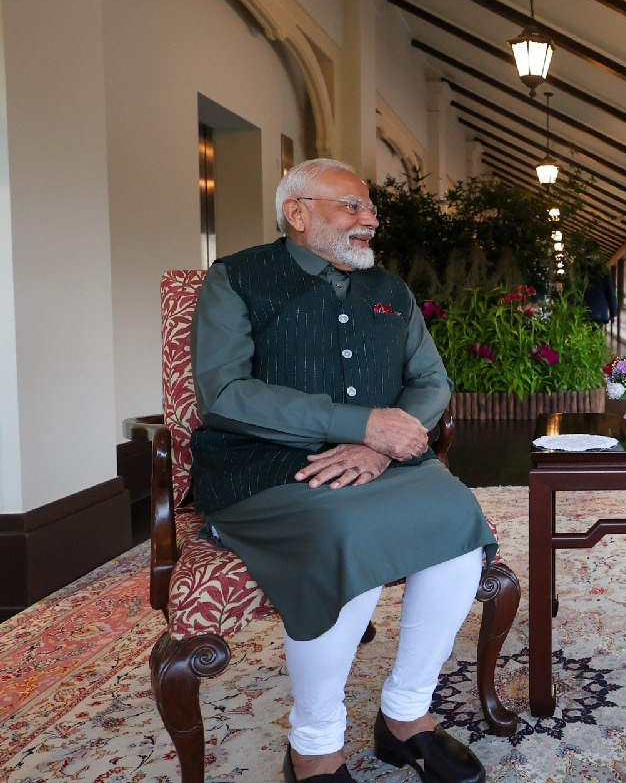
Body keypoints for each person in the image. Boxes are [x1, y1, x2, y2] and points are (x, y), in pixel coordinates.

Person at [190, 158, 495, 783]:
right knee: (346, 535)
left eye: (370, 209)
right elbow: (221, 394)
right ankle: (315, 745)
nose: (370, 220)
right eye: (351, 207)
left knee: (459, 518)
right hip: (263, 464)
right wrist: (356, 425)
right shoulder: (237, 278)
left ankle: (406, 717)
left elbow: (431, 382)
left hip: (380, 460)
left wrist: (382, 445)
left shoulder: (389, 290)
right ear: (298, 213)